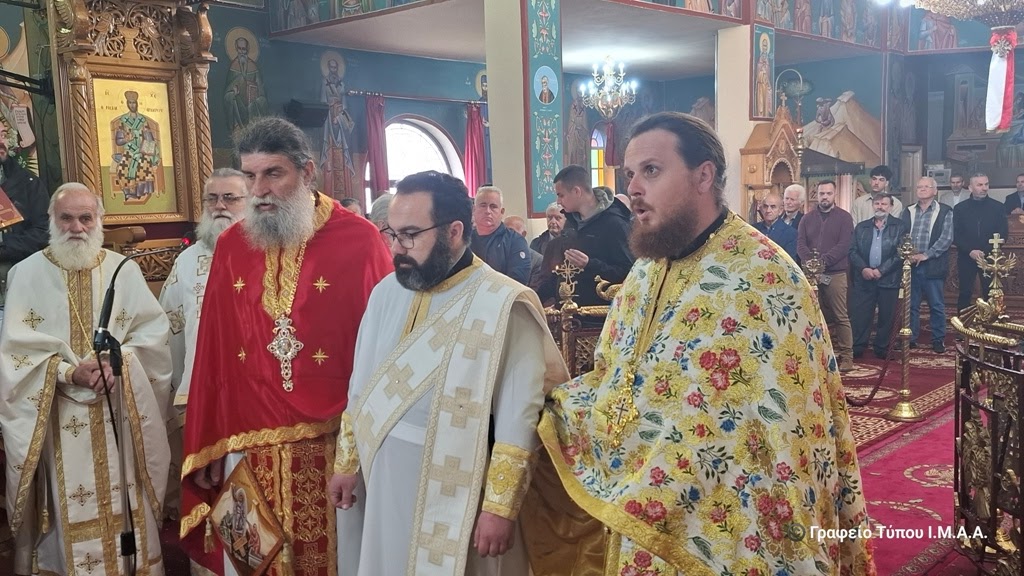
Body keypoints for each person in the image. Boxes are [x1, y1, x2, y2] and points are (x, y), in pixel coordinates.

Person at [523, 112, 874, 575]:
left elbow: (783, 432)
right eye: (630, 174)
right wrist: (539, 408)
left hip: (732, 521)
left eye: (651, 170)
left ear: (703, 176)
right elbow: (615, 378)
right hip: (639, 498)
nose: (634, 188)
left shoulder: (765, 277)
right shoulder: (644, 271)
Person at [179, 117, 392, 576]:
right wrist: (210, 442)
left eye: (273, 173)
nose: (259, 190)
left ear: (307, 171)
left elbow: (386, 350)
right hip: (248, 445)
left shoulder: (359, 240)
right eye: (250, 176)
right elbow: (214, 351)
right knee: (256, 562)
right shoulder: (232, 246)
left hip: (334, 446)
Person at [328, 171, 568, 575]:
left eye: (410, 235)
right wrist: (346, 463)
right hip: (381, 480)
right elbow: (362, 384)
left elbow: (519, 415)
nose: (397, 248)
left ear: (454, 231)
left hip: (461, 494)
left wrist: (500, 507)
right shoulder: (386, 292)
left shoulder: (505, 303)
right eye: (392, 234)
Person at [0, 183, 172, 575]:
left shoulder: (123, 271)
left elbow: (153, 338)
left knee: (127, 500)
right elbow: (15, 356)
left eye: (85, 218)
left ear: (99, 221)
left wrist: (117, 363)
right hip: (58, 417)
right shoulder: (27, 274)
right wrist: (67, 371)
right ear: (51, 220)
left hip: (120, 414)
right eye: (66, 218)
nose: (76, 227)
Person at [158, 168, 248, 520]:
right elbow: (170, 329)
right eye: (212, 198)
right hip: (201, 392)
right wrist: (179, 389)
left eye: (230, 198)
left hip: (253, 393)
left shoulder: (265, 252)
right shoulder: (187, 261)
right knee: (210, 488)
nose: (219, 206)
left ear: (249, 202)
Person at [540, 164, 633, 308]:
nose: (558, 201)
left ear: (577, 191)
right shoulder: (571, 222)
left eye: (561, 195)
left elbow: (628, 273)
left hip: (598, 312)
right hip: (569, 310)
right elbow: (562, 270)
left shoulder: (615, 224)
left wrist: (590, 264)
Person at [797, 180, 856, 372]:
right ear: (817, 195)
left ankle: (847, 356)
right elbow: (801, 244)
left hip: (835, 273)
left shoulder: (844, 218)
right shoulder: (806, 218)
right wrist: (811, 264)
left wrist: (822, 262)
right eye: (821, 193)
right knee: (812, 315)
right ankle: (816, 355)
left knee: (840, 316)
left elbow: (844, 245)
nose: (825, 197)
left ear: (834, 195)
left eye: (828, 193)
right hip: (811, 275)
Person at [849, 194, 910, 359]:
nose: (880, 207)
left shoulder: (900, 226)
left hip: (889, 278)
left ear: (890, 207)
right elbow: (852, 251)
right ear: (873, 206)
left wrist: (881, 270)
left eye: (884, 204)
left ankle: (882, 348)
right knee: (861, 315)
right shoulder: (861, 227)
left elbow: (901, 252)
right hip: (865, 278)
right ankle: (858, 346)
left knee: (887, 316)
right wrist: (863, 268)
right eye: (877, 203)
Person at [0, 122, 49, 317]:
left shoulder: (28, 183)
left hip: (19, 282)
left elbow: (43, 232)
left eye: (3, 135)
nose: (1, 142)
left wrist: (4, 243)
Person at [901, 177, 953, 353]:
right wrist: (908, 255)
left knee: (936, 305)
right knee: (911, 305)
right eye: (919, 187)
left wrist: (925, 255)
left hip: (933, 265)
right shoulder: (908, 210)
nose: (922, 189)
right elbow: (901, 234)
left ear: (935, 191)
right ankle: (910, 338)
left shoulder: (944, 211)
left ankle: (938, 339)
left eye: (926, 187)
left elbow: (946, 239)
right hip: (911, 265)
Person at [953, 172, 1008, 312]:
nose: (984, 188)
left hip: (990, 257)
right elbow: (955, 234)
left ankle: (990, 322)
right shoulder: (960, 209)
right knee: (965, 292)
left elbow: (1003, 234)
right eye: (980, 185)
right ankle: (963, 323)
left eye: (986, 184)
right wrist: (970, 251)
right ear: (970, 188)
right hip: (967, 256)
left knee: (990, 292)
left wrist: (985, 251)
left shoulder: (998, 207)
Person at [470, 186, 531, 285]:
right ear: (474, 209)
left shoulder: (515, 241)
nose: (488, 211)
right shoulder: (464, 240)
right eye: (483, 205)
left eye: (493, 206)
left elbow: (517, 281)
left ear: (501, 212)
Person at [112, 90, 162, 201]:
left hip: (142, 150)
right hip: (129, 151)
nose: (132, 105)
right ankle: (128, 192)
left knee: (142, 164)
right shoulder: (123, 121)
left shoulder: (142, 120)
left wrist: (151, 153)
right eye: (130, 103)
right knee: (122, 167)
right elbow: (118, 141)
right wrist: (126, 139)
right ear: (127, 104)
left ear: (137, 103)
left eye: (134, 103)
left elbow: (149, 138)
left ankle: (140, 192)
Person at [223, 36, 269, 134]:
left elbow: (261, 93)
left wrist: (257, 97)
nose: (242, 52)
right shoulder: (233, 66)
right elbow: (227, 93)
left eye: (244, 49)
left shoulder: (253, 66)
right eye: (239, 49)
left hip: (252, 107)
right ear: (236, 49)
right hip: (238, 108)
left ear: (247, 49)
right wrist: (233, 93)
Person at [753, 192, 798, 261]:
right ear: (761, 209)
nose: (768, 210)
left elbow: (790, 262)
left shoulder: (791, 233)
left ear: (780, 210)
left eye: (773, 207)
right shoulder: (753, 229)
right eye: (765, 206)